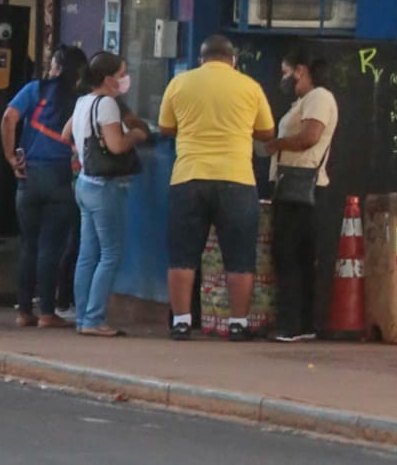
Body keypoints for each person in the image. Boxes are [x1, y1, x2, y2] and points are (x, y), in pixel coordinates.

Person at [159, 34, 276, 341]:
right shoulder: (249, 87)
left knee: (182, 254)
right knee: (239, 256)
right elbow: (267, 132)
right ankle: (238, 324)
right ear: (232, 60)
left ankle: (181, 322)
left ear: (201, 59)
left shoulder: (179, 84)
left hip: (188, 177)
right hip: (236, 179)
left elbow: (165, 127)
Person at [2, 46, 88, 328]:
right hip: (61, 177)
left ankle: (25, 311)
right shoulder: (81, 99)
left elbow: (8, 118)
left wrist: (10, 157)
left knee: (29, 244)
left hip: (29, 176)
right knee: (51, 246)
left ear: (59, 67)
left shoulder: (35, 90)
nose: (50, 70)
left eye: (52, 64)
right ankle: (48, 312)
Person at [66, 52, 150, 337]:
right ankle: (94, 319)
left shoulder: (82, 102)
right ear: (108, 79)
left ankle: (83, 316)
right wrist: (135, 136)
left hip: (85, 184)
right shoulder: (107, 105)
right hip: (105, 187)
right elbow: (116, 146)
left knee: (87, 255)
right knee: (110, 253)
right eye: (122, 73)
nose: (126, 79)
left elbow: (67, 134)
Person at [266, 52, 338, 343]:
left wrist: (275, 144)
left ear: (300, 70)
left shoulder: (319, 97)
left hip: (301, 185)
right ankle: (304, 322)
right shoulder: (303, 101)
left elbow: (310, 136)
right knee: (300, 256)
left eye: (286, 73)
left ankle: (291, 323)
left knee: (289, 254)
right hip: (291, 184)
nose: (284, 80)